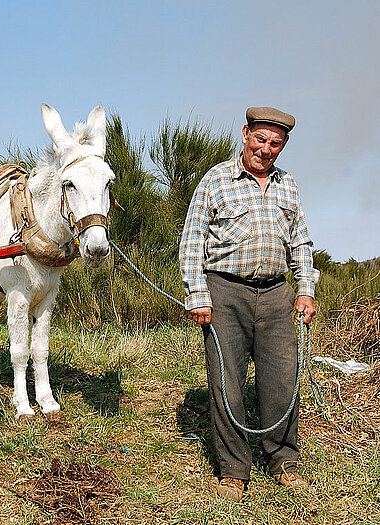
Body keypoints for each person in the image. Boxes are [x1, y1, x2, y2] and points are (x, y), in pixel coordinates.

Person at [179, 107, 319, 502]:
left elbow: (301, 241)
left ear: (283, 146)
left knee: (281, 379)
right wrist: (197, 293)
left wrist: (305, 289)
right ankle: (234, 470)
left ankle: (283, 460)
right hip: (225, 292)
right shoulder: (217, 179)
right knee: (227, 383)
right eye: (260, 139)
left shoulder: (287, 184)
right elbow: (192, 239)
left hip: (277, 294)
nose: (266, 149)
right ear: (245, 134)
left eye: (276, 143)